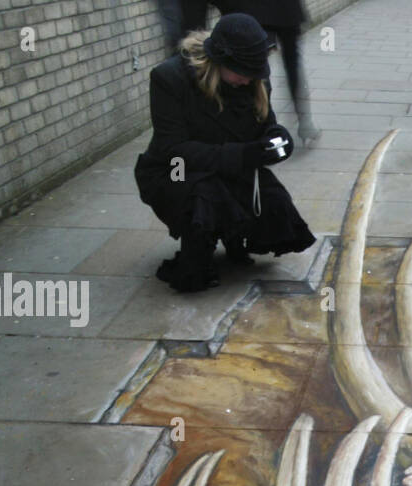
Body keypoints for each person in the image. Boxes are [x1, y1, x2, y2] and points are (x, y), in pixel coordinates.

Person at [135, 13, 315, 293]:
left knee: (274, 202)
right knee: (205, 197)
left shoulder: (254, 80)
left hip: (227, 163)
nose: (247, 80)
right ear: (218, 62)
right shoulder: (169, 78)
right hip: (174, 170)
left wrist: (278, 141)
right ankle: (198, 248)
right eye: (241, 73)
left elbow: (266, 126)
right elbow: (173, 150)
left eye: (253, 74)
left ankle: (236, 237)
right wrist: (243, 155)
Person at [182, 0, 320, 144]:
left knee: (253, 64)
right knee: (290, 62)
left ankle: (262, 122)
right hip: (284, 10)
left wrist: (195, 36)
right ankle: (301, 121)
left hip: (252, 10)